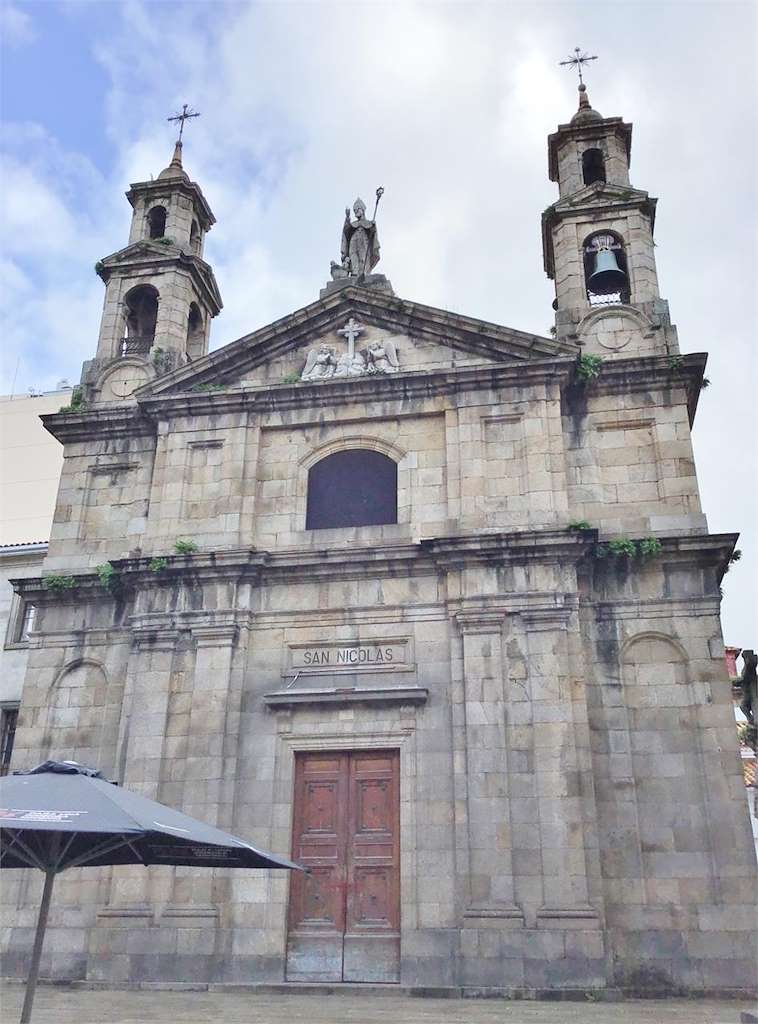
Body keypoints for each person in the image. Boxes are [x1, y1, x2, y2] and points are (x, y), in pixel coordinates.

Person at [341, 198, 380, 276]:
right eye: (354, 211)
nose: (356, 212)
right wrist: (347, 217)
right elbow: (346, 231)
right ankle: (354, 274)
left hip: (364, 241)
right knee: (353, 257)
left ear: (362, 210)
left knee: (363, 258)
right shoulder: (353, 224)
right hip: (353, 241)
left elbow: (373, 235)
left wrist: (373, 227)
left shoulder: (369, 223)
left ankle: (365, 274)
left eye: (357, 210)